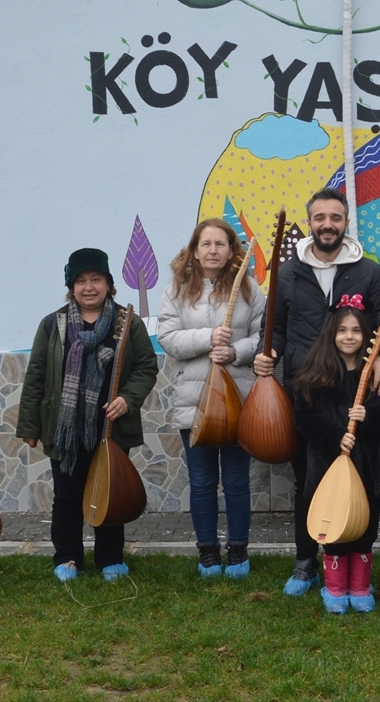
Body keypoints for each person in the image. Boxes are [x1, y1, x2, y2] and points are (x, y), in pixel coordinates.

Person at [253, 187, 380, 596]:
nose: (327, 225)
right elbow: (275, 328)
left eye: (335, 218)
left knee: (359, 481)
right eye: (320, 218)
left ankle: (355, 561)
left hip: (355, 394)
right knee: (309, 481)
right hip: (308, 392)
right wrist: (269, 356)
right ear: (311, 221)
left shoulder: (367, 270)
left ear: (346, 222)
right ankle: (306, 563)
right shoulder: (289, 273)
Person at [16, 248, 158, 582]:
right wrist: (30, 425)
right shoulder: (53, 324)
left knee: (110, 494)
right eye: (81, 280)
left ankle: (110, 558)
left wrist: (127, 398)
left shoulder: (127, 322)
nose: (89, 287)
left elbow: (146, 368)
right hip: (65, 429)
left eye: (96, 279)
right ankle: (67, 557)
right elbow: (36, 375)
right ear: (71, 286)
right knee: (66, 497)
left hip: (111, 427)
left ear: (109, 284)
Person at [157, 219, 264, 578]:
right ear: (195, 249)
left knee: (235, 481)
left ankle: (238, 551)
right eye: (206, 244)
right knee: (202, 482)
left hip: (237, 399)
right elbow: (168, 338)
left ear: (233, 250)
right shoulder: (178, 290)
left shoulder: (249, 289)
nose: (213, 250)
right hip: (196, 402)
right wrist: (208, 338)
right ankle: (207, 551)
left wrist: (234, 351)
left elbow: (262, 335)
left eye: (221, 244)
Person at [293, 302, 380, 613]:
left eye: (356, 330)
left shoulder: (376, 375)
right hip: (331, 467)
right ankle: (335, 588)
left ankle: (359, 586)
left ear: (367, 336)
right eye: (342, 330)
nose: (349, 336)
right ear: (332, 334)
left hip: (369, 466)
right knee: (335, 527)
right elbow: (303, 416)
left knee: (364, 527)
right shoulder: (315, 373)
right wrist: (335, 436)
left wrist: (368, 417)